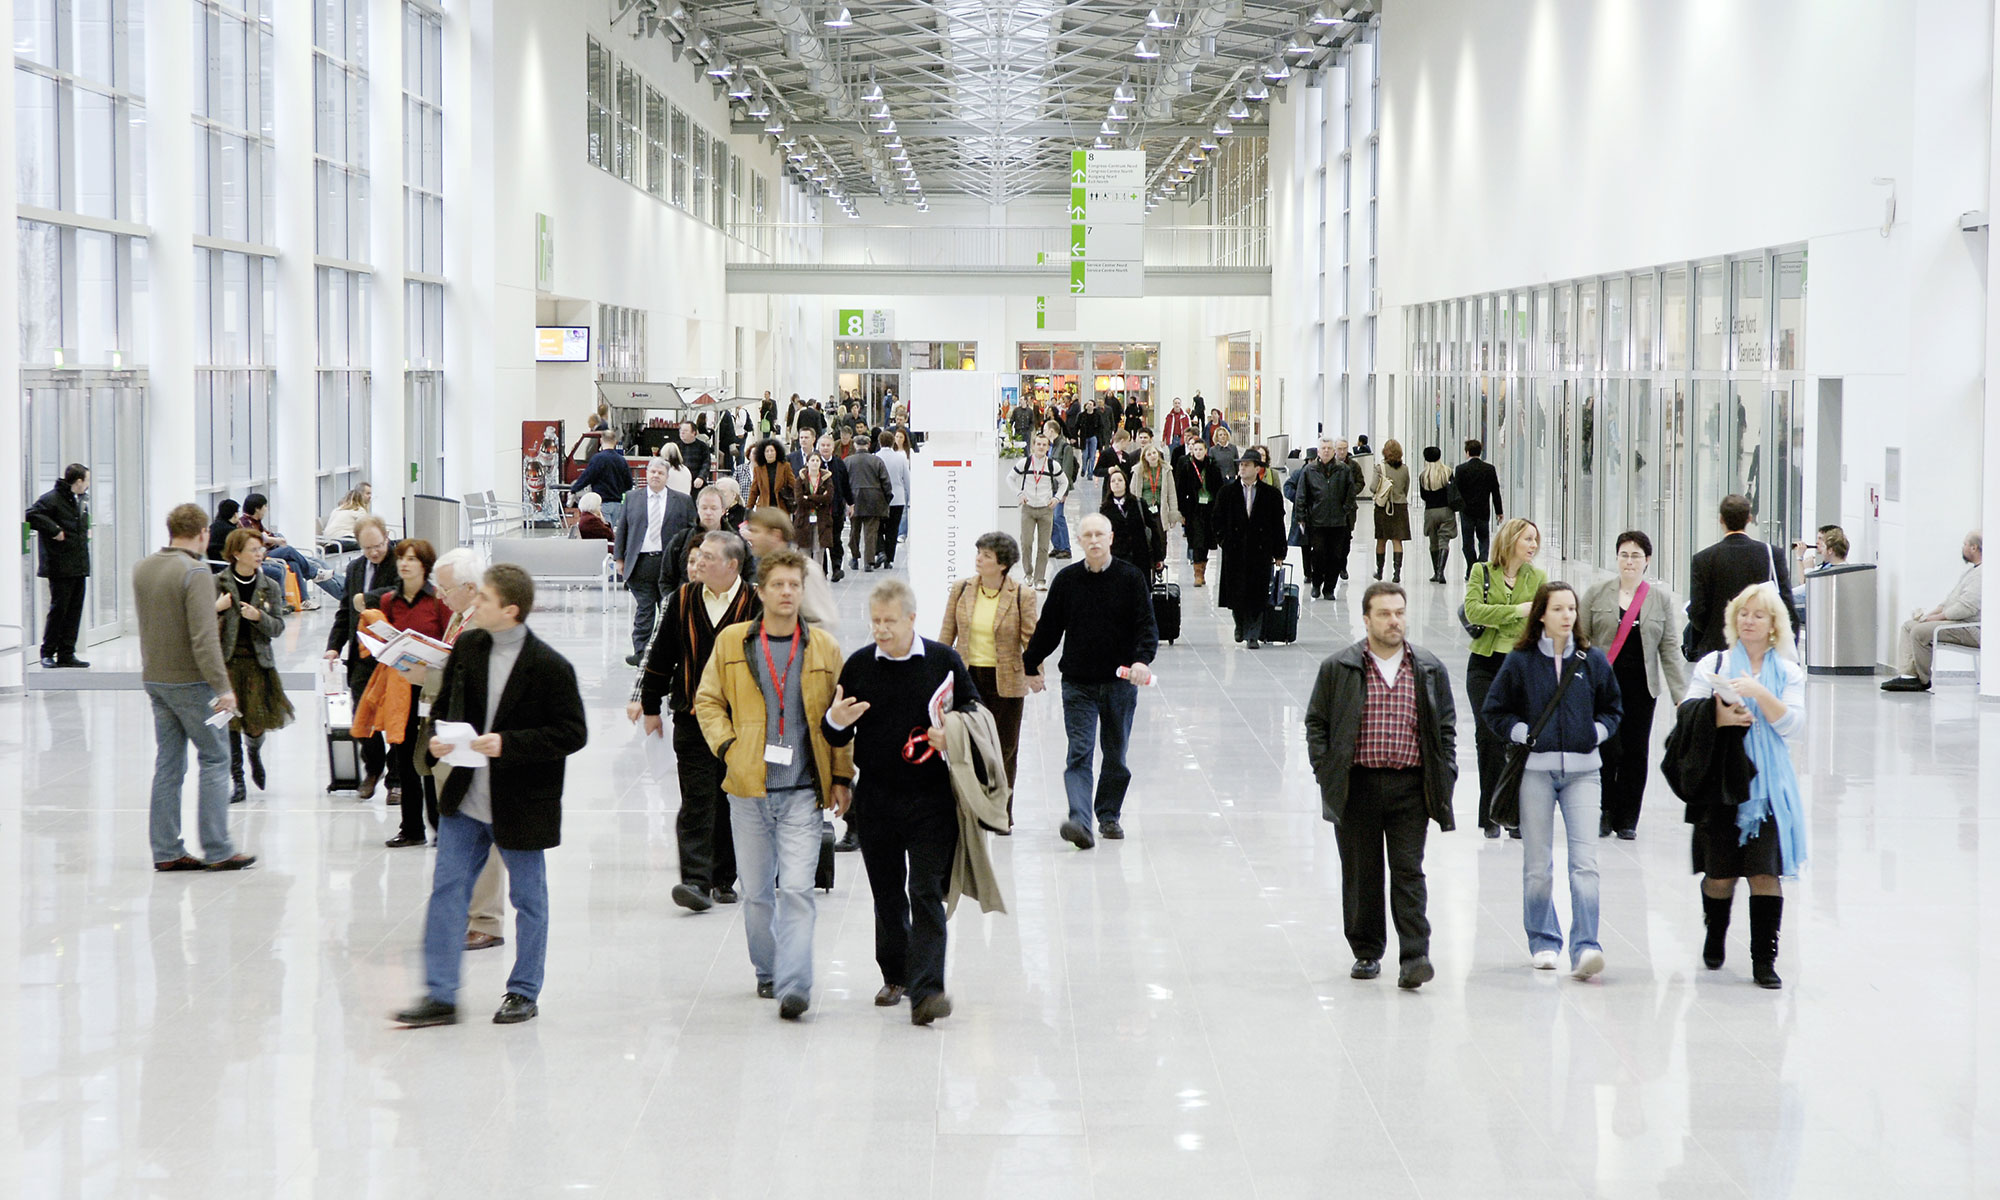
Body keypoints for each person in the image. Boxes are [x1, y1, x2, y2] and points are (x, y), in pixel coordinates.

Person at [394, 564, 590, 1028]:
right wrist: (441, 736)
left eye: (483, 598)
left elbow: (572, 733)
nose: (473, 603)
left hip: (521, 802)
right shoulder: (468, 646)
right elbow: (447, 703)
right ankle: (440, 993)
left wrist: (509, 744)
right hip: (466, 797)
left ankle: (523, 991)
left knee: (529, 898)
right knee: (447, 892)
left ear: (511, 610)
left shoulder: (549, 667)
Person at [693, 550, 853, 1020]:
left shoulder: (824, 648)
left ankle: (795, 983)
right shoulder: (731, 643)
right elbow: (707, 701)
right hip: (747, 791)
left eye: (794, 586)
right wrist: (728, 748)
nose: (787, 593)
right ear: (760, 591)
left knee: (799, 890)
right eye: (778, 585)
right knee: (759, 893)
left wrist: (842, 776)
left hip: (803, 791)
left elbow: (841, 719)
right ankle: (768, 971)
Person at [822, 579, 982, 1024]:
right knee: (887, 893)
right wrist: (835, 721)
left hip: (931, 796)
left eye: (890, 621)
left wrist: (952, 732)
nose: (881, 630)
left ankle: (928, 990)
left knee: (926, 891)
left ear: (912, 619)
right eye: (875, 621)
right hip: (876, 797)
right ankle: (896, 975)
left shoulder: (943, 662)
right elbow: (834, 731)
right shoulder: (858, 666)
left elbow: (973, 710)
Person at [1305, 582, 1457, 990]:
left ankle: (1415, 957)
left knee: (1409, 872)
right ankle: (1367, 951)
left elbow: (1445, 728)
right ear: (1366, 618)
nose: (1395, 621)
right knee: (1362, 873)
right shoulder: (1339, 668)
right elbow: (1317, 722)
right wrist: (1326, 770)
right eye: (1386, 614)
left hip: (1410, 787)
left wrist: (1446, 775)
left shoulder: (1427, 667)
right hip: (1357, 786)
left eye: (1400, 613)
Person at [1481, 582, 1623, 980]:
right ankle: (1544, 941)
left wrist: (1595, 733)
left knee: (1585, 864)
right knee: (1538, 866)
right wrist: (1521, 731)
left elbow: (1613, 708)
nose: (1567, 616)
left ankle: (1586, 947)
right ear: (1541, 614)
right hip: (1535, 775)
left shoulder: (1592, 660)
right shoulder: (1521, 661)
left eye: (1572, 609)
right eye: (1558, 609)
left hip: (1584, 774)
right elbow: (1494, 710)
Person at [1685, 582, 1807, 988]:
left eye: (1758, 615)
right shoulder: (1715, 664)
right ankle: (1715, 930)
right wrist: (1719, 717)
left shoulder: (1788, 672)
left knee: (1764, 873)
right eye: (1743, 614)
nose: (1749, 621)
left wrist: (1759, 694)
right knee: (1719, 875)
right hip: (1722, 783)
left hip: (1769, 788)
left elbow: (1792, 725)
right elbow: (1688, 710)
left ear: (1774, 625)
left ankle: (1763, 959)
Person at [635, 530, 759, 911]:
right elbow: (662, 655)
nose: (698, 561)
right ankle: (695, 881)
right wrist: (651, 706)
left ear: (731, 565)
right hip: (691, 715)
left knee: (731, 797)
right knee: (697, 798)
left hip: (741, 723)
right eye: (698, 555)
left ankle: (725, 878)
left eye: (707, 556)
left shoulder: (756, 603)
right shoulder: (683, 599)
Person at [1022, 513, 1157, 849]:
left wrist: (1142, 660)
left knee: (1115, 754)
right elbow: (1049, 629)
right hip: (1078, 683)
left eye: (1100, 534)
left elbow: (1146, 626)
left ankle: (1108, 815)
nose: (1094, 540)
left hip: (1119, 683)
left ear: (1110, 538)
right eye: (1087, 535)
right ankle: (1080, 822)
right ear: (1079, 541)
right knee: (1079, 753)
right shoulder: (1067, 581)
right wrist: (1030, 665)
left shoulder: (1131, 577)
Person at [137, 502, 254, 872]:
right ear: (203, 533)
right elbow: (204, 640)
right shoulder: (196, 572)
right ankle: (218, 848)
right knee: (216, 758)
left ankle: (166, 849)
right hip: (191, 682)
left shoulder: (143, 568)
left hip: (156, 678)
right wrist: (223, 688)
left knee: (168, 765)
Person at [417, 547, 511, 952]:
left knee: (479, 834)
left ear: (472, 589)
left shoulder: (482, 628)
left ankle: (486, 920)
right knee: (459, 832)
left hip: (473, 743)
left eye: (447, 589)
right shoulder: (459, 617)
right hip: (451, 736)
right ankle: (466, 913)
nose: (440, 596)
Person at [1580, 532, 1689, 838]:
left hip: (1642, 688)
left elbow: (1668, 649)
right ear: (1616, 558)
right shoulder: (1597, 593)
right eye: (1624, 555)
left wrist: (1681, 695)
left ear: (1647, 561)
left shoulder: (1659, 600)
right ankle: (1604, 810)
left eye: (1636, 556)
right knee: (1606, 748)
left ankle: (1628, 818)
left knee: (1635, 751)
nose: (1629, 561)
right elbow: (1581, 639)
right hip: (1604, 687)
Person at [938, 532, 1038, 821]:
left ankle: (1000, 812)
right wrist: (934, 670)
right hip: (967, 678)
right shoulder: (961, 589)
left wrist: (1035, 672)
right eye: (978, 553)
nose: (978, 559)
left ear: (1002, 565)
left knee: (1005, 749)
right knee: (966, 744)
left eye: (986, 556)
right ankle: (969, 808)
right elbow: (947, 634)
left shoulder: (1022, 594)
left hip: (1006, 681)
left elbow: (1031, 639)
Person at [1463, 518, 1548, 838]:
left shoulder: (1538, 577)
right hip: (1484, 665)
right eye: (1528, 539)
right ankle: (1489, 813)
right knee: (1488, 738)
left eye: (1535, 540)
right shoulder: (1481, 571)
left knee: (1519, 740)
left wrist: (1503, 614)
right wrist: (1516, 612)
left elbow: (1538, 618)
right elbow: (1474, 611)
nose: (1533, 545)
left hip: (1520, 669)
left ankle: (1515, 813)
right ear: (1511, 540)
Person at [366, 539, 451, 848]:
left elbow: (447, 642)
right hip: (400, 689)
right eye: (401, 558)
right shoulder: (389, 601)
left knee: (430, 757)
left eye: (412, 559)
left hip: (430, 690)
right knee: (404, 759)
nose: (404, 564)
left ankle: (441, 826)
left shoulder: (438, 600)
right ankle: (411, 828)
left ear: (424, 565)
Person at [214, 529, 295, 805]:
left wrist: (258, 616)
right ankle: (237, 781)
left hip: (258, 663)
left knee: (255, 723)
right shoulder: (218, 583)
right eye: (253, 550)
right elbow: (200, 625)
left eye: (261, 549)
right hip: (228, 663)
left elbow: (278, 627)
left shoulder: (269, 584)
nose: (259, 555)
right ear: (236, 554)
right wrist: (216, 608)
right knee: (231, 725)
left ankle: (255, 752)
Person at [324, 516, 398, 798]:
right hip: (360, 655)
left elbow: (399, 593)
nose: (374, 552)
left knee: (394, 719)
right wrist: (334, 645)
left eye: (378, 545)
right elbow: (345, 611)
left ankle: (397, 780)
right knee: (362, 717)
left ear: (387, 537)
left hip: (390, 654)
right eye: (367, 548)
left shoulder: (400, 563)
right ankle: (373, 769)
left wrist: (367, 599)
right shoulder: (355, 568)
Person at [1684, 494, 1802, 660]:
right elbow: (1787, 604)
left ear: (1721, 520)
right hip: (1762, 649)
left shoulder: (1703, 559)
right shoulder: (1771, 555)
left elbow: (1697, 611)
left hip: (1718, 648)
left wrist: (1715, 629)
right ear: (1749, 518)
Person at [615, 457, 698, 666]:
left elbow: (692, 531)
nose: (656, 476)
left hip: (669, 563)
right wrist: (619, 558)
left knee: (668, 608)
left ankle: (667, 651)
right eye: (652, 472)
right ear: (646, 474)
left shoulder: (682, 500)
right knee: (645, 608)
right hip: (641, 562)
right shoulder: (632, 498)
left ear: (667, 477)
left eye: (660, 473)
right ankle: (640, 651)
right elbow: (622, 529)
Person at [1881, 531, 1983, 692]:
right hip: (1954, 622)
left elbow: (1965, 608)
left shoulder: (1981, 575)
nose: (1962, 547)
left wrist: (1937, 618)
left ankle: (1922, 679)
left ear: (1973, 547)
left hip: (1969, 627)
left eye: (1964, 544)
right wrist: (1929, 616)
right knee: (1909, 626)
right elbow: (1949, 601)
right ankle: (1908, 675)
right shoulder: (1971, 572)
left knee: (1920, 631)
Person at [1213, 449, 1287, 649]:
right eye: (1241, 464)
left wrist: (1279, 552)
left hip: (1260, 549)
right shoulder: (1227, 492)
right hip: (1235, 549)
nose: (1242, 468)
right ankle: (1240, 624)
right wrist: (1224, 541)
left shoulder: (1271, 494)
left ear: (1257, 468)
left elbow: (1278, 524)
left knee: (1258, 591)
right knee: (1236, 591)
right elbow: (1217, 520)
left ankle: (1253, 633)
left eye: (1247, 464)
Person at [26, 462, 91, 669]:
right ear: (78, 481)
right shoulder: (52, 499)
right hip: (60, 566)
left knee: (74, 611)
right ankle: (47, 652)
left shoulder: (80, 501)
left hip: (78, 564)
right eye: (87, 480)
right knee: (59, 610)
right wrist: (53, 529)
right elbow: (32, 515)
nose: (88, 485)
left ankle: (66, 653)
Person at [237, 493, 342, 607]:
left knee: (295, 564)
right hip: (262, 556)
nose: (266, 510)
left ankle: (303, 600)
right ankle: (313, 573)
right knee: (289, 551)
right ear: (257, 509)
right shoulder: (244, 522)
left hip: (268, 552)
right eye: (265, 507)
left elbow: (267, 535)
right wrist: (275, 540)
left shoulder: (257, 522)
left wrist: (274, 538)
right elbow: (256, 538)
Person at [1297, 437, 1367, 601]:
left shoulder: (1343, 470)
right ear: (1318, 451)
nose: (1326, 450)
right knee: (1318, 553)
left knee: (1335, 556)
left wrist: (1344, 509)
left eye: (1329, 448)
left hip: (1338, 521)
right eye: (1323, 448)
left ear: (1334, 451)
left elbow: (1351, 492)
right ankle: (1316, 584)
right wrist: (1302, 516)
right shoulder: (1309, 470)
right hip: (1317, 520)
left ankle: (1329, 587)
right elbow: (1302, 494)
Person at [1014, 433, 1068, 590]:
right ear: (1033, 446)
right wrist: (1019, 493)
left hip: (1046, 510)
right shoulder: (1025, 463)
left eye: (1045, 445)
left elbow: (1064, 482)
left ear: (1048, 447)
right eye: (1039, 444)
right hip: (1028, 509)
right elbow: (1010, 478)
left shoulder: (1052, 465)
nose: (1041, 447)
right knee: (1026, 543)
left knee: (1044, 546)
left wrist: (1057, 498)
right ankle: (1028, 573)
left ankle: (1040, 578)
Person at [1173, 438, 1225, 587]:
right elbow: (1180, 490)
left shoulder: (1212, 466)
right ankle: (1197, 574)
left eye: (1201, 449)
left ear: (1206, 451)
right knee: (1197, 540)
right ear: (1191, 451)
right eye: (1195, 450)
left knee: (1207, 541)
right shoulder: (1187, 467)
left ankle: (1203, 569)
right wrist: (1181, 511)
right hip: (1193, 509)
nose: (1198, 452)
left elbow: (1219, 488)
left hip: (1210, 508)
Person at [1452, 439, 1505, 579]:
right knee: (1484, 540)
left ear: (1467, 452)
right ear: (1480, 452)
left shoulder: (1461, 469)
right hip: (1483, 511)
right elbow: (1495, 491)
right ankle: (1481, 567)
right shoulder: (1489, 469)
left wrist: (1455, 508)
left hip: (1467, 511)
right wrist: (1499, 511)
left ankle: (1471, 566)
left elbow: (1456, 492)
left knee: (1467, 543)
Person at [1099, 465, 1161, 572]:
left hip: (1140, 557)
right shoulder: (1105, 509)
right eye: (1113, 481)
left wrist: (1158, 557)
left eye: (1120, 480)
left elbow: (1153, 529)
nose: (1116, 483)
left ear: (1125, 483)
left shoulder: (1139, 503)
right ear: (1109, 485)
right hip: (1116, 558)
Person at [569, 427, 634, 527]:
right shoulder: (622, 460)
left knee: (605, 531)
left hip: (602, 503)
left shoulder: (598, 459)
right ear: (615, 442)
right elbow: (629, 484)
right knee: (613, 530)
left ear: (601, 440)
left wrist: (574, 489)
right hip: (617, 504)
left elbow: (587, 477)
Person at [846, 434, 891, 573]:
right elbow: (886, 482)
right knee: (871, 532)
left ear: (854, 445)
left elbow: (842, 482)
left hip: (854, 499)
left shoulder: (847, 461)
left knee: (854, 531)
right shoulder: (877, 461)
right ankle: (869, 562)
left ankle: (854, 557)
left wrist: (845, 501)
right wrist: (887, 499)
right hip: (874, 500)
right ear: (868, 444)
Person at [1370, 439, 1412, 582]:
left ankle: (1380, 571)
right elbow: (1406, 488)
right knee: (1397, 541)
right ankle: (1397, 573)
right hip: (1400, 507)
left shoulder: (1380, 468)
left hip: (1383, 508)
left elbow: (1372, 487)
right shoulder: (1405, 469)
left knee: (1381, 540)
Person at [1416, 447, 1457, 585]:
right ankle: (1441, 572)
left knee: (1433, 542)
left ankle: (1435, 572)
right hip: (1446, 510)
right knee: (1444, 540)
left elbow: (1423, 496)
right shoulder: (1447, 472)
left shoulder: (1423, 476)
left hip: (1430, 511)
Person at [1042, 419, 1079, 561]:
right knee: (1049, 518)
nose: (1044, 432)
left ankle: (1065, 548)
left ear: (1051, 431)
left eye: (1045, 430)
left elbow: (1067, 470)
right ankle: (1057, 546)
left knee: (1058, 517)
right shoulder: (1050, 447)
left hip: (1058, 489)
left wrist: (1064, 492)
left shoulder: (1065, 447)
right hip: (1048, 488)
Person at [1132, 441, 1179, 548]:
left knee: (1161, 538)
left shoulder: (1166, 470)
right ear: (1144, 458)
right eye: (1149, 454)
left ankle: (1161, 561)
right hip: (1144, 509)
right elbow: (1133, 492)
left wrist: (1173, 514)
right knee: (1146, 538)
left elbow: (1171, 494)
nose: (1152, 456)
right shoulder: (1138, 471)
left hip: (1160, 508)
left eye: (1154, 453)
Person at [880, 428, 912, 567]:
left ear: (880, 442)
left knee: (880, 527)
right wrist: (910, 496)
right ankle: (889, 559)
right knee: (893, 529)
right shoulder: (901, 457)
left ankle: (881, 551)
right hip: (898, 498)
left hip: (880, 498)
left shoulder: (876, 457)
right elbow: (907, 478)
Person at [749, 437, 799, 516]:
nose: (770, 453)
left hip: (781, 508)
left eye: (772, 451)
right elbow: (754, 491)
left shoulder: (785, 466)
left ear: (777, 452)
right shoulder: (758, 469)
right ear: (763, 453)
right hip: (764, 509)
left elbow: (794, 485)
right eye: (767, 451)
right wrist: (748, 508)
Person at [323, 484, 371, 550]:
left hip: (328, 541)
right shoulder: (359, 510)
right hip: (344, 539)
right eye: (368, 493)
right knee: (371, 542)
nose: (370, 496)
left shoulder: (337, 509)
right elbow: (365, 529)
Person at [675, 420, 713, 484]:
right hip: (680, 481)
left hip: (697, 481)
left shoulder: (702, 446)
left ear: (693, 433)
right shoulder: (676, 446)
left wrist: (701, 477)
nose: (682, 433)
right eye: (681, 430)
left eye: (686, 431)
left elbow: (706, 463)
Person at [207, 499, 242, 565]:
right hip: (226, 564)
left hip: (212, 563)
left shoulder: (213, 526)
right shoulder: (232, 531)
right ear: (235, 514)